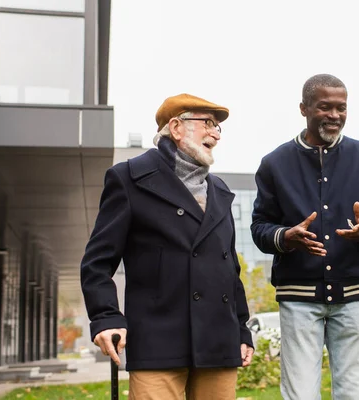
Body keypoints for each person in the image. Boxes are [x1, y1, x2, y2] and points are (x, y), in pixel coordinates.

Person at [81, 93, 254, 400]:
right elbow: (97, 261)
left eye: (219, 127)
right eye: (209, 123)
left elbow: (230, 270)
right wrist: (105, 317)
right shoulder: (129, 179)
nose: (216, 132)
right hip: (158, 342)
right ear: (176, 127)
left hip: (218, 341)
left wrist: (242, 330)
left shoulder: (221, 193)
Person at [251, 74, 359, 400]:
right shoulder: (274, 164)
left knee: (354, 393)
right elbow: (260, 226)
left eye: (341, 108)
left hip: (355, 293)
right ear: (304, 108)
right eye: (324, 107)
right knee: (300, 394)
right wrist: (286, 236)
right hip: (298, 297)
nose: (334, 115)